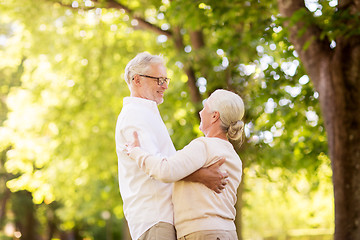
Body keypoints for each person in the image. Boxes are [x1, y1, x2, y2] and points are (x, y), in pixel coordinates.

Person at [115, 52, 228, 240]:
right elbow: (157, 166)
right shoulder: (134, 115)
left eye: (165, 79)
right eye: (159, 80)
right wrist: (201, 176)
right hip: (155, 217)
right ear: (137, 80)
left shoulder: (147, 113)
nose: (165, 86)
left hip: (165, 217)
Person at [125, 89, 245, 240]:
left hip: (202, 233)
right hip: (228, 232)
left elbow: (165, 170)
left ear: (215, 116)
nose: (201, 112)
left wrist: (136, 152)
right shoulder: (234, 157)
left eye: (205, 107)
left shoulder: (204, 146)